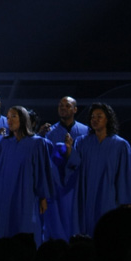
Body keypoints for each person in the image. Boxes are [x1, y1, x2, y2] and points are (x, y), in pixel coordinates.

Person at [0, 104, 58, 247]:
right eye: (8, 117)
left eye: (14, 116)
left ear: (23, 118)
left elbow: (42, 171)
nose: (9, 120)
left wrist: (43, 197)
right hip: (3, 193)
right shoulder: (3, 142)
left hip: (25, 193)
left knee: (24, 228)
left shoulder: (37, 143)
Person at [63, 101, 131, 236]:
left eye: (99, 116)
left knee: (108, 232)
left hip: (109, 197)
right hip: (86, 196)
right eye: (92, 117)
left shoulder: (120, 145)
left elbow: (126, 175)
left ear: (108, 119)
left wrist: (127, 202)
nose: (95, 120)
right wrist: (69, 149)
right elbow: (74, 165)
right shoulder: (82, 142)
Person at [41, 96, 88, 241]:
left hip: (77, 183)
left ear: (75, 109)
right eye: (60, 105)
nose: (63, 108)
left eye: (67, 106)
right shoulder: (50, 132)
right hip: (56, 185)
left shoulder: (85, 131)